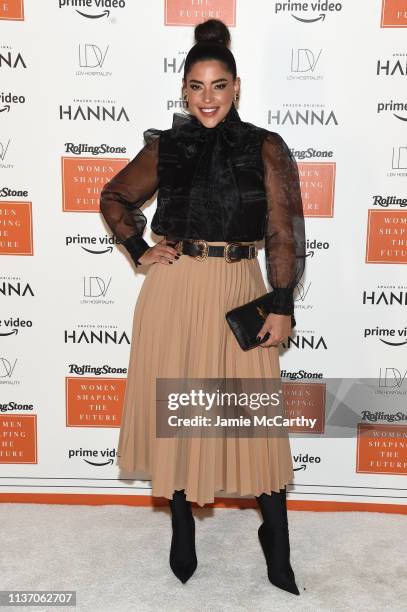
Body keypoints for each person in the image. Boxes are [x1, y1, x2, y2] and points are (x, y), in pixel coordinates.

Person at [100, 18, 306, 594]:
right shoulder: (167, 146)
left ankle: (278, 542)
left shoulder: (264, 145)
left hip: (241, 288)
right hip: (175, 289)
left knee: (253, 418)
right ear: (184, 89)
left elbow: (284, 232)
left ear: (236, 86)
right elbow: (113, 195)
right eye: (196, 86)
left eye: (218, 85)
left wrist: (282, 302)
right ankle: (183, 529)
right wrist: (141, 249)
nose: (207, 97)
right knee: (178, 413)